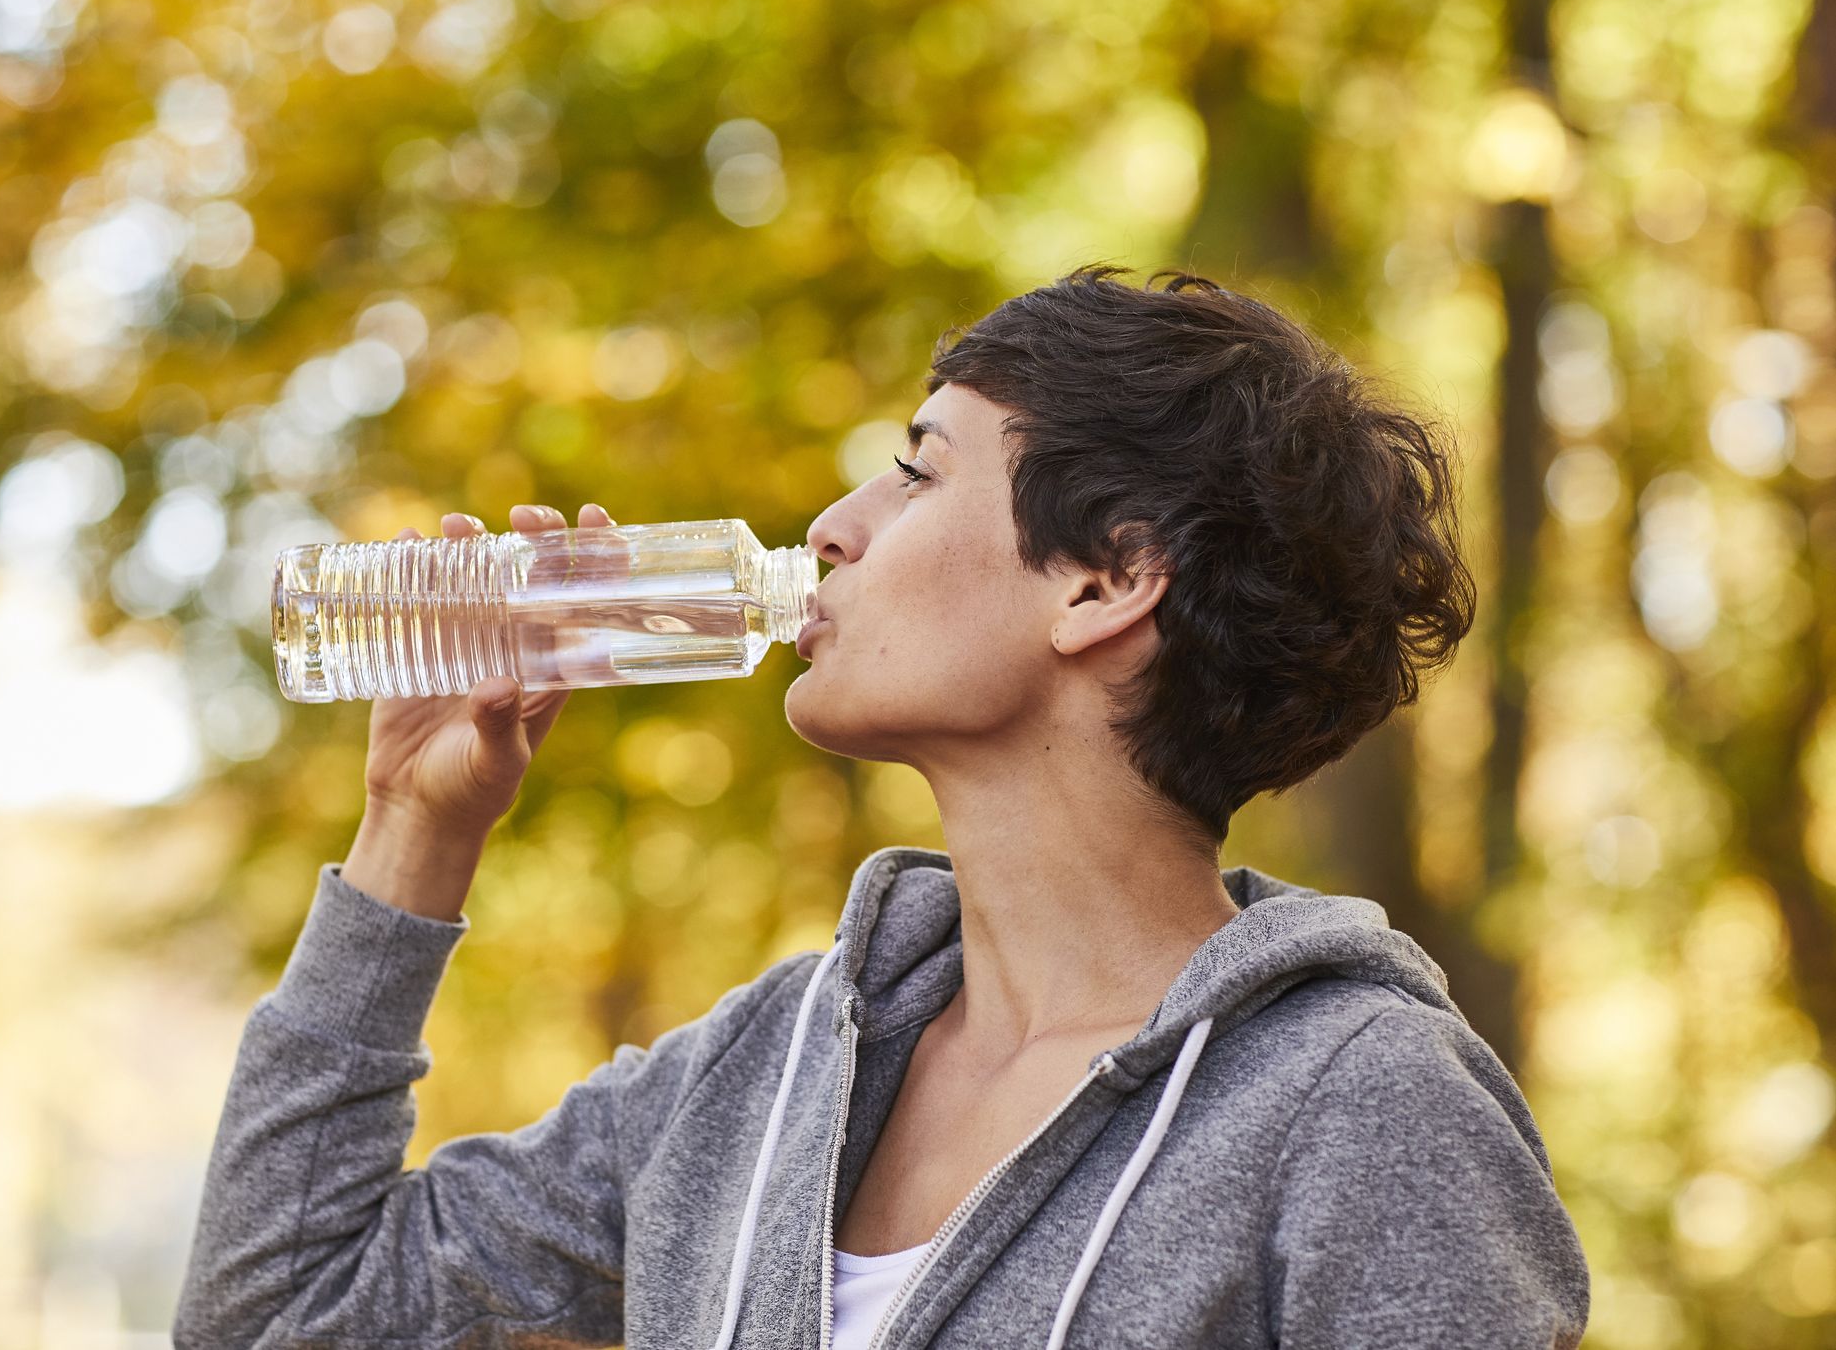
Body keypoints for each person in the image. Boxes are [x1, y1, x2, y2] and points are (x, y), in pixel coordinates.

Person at [173, 266, 1590, 1348]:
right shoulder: (754, 1075)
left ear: (1104, 580)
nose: (835, 525)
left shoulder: (1357, 1105)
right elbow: (282, 1313)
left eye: (917, 469)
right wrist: (414, 830)